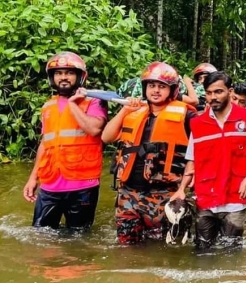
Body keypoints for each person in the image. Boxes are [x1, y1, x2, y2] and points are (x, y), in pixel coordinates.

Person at [102, 62, 197, 244]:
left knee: (167, 248)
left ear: (173, 90)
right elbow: (106, 137)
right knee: (126, 248)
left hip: (166, 193)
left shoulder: (187, 116)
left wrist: (184, 188)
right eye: (151, 85)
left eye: (162, 86)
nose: (156, 90)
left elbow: (200, 150)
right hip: (129, 193)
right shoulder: (134, 112)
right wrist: (125, 110)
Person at [171, 72, 246, 250]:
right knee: (202, 250)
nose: (213, 97)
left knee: (231, 251)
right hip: (206, 195)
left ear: (230, 92)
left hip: (235, 196)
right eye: (209, 93)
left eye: (218, 92)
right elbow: (191, 159)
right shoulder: (198, 124)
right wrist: (181, 189)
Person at [23, 52, 107, 231]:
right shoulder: (48, 106)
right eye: (58, 73)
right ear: (52, 78)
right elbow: (46, 143)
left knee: (78, 239)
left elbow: (94, 129)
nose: (63, 77)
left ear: (80, 76)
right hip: (50, 184)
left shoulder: (94, 101)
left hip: (83, 184)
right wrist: (33, 178)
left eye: (69, 73)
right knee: (40, 235)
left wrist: (72, 104)